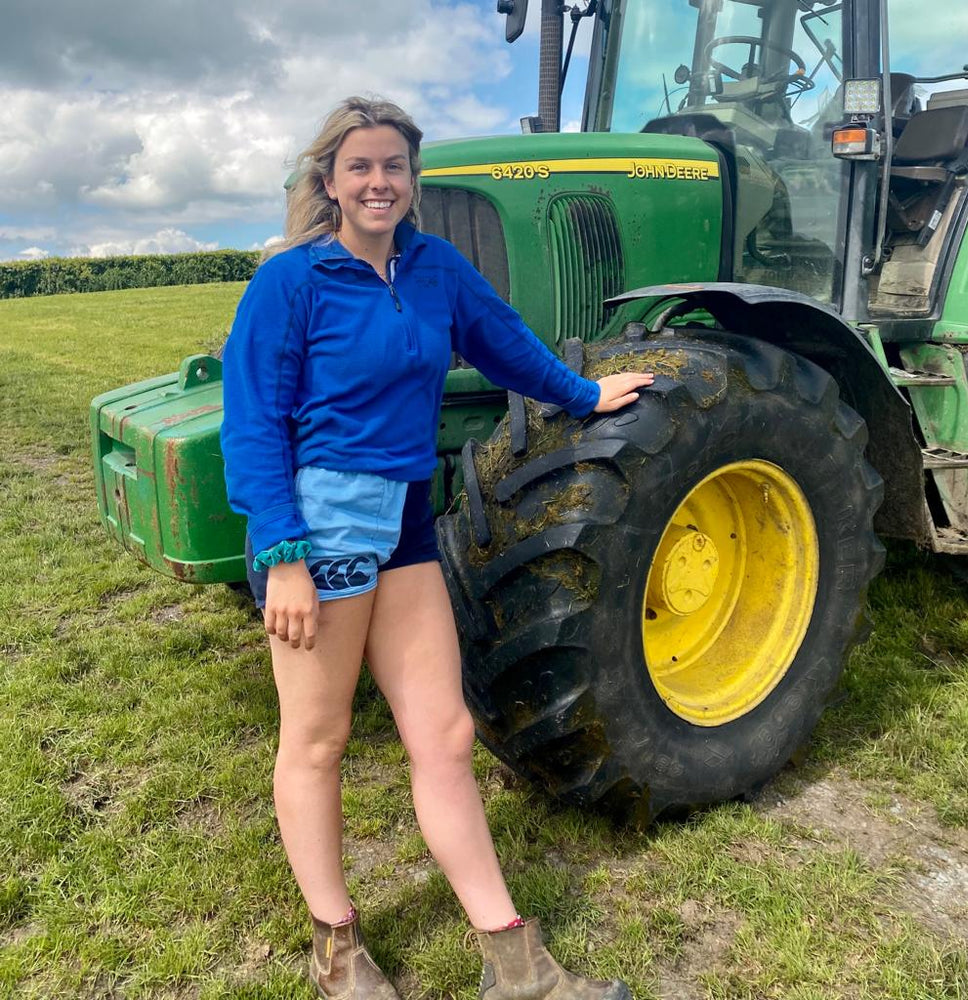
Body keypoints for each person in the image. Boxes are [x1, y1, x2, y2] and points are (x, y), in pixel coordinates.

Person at [220, 95, 653, 1000]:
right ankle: (337, 949)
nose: (380, 182)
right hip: (320, 526)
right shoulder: (291, 282)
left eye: (395, 167)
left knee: (446, 735)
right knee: (318, 738)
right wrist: (285, 555)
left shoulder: (433, 269)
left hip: (407, 521)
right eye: (361, 167)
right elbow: (253, 424)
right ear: (329, 182)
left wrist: (584, 394)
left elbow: (505, 347)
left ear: (413, 182)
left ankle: (515, 963)